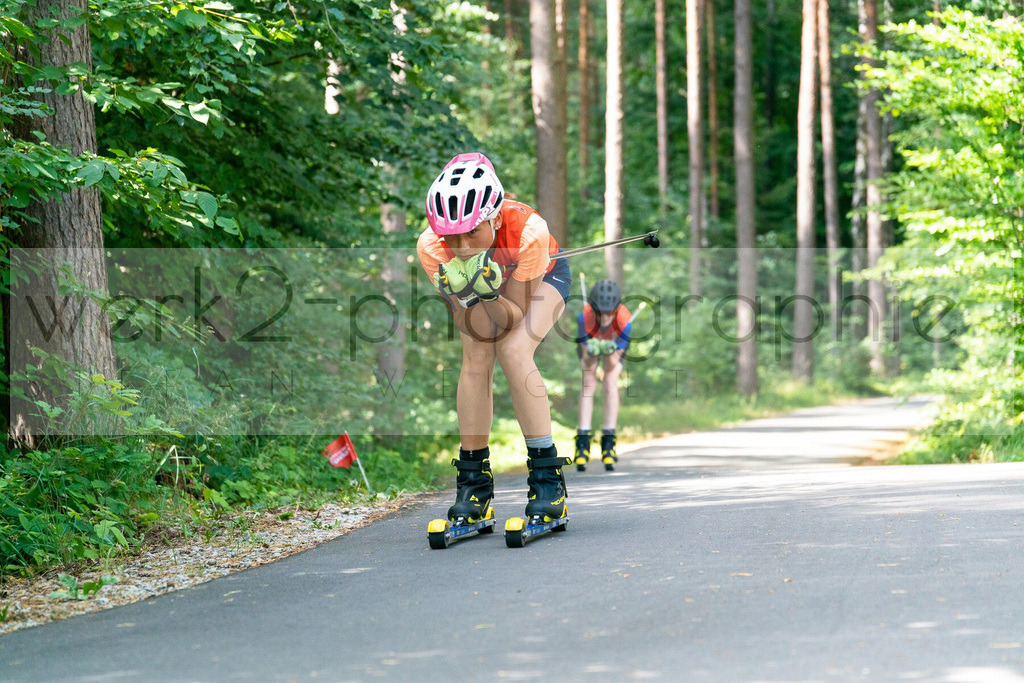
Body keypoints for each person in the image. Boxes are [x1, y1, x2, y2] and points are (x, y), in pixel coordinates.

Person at [417, 152, 572, 527]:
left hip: (541, 277)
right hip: (485, 291)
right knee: (475, 357)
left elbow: (511, 318)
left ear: (495, 217)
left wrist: (487, 292)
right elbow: (478, 330)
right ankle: (473, 484)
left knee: (514, 349)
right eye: (452, 235)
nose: (462, 244)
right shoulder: (433, 247)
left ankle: (547, 478)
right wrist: (469, 295)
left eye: (472, 231)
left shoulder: (529, 231)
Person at [574, 279, 631, 472]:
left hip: (613, 350)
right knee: (588, 380)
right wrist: (592, 348)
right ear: (593, 309)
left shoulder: (624, 320)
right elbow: (586, 361)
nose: (605, 318)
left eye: (609, 313)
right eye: (601, 313)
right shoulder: (585, 317)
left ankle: (608, 441)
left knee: (610, 381)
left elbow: (611, 365)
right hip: (590, 345)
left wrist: (609, 348)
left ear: (616, 309)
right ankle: (582, 440)